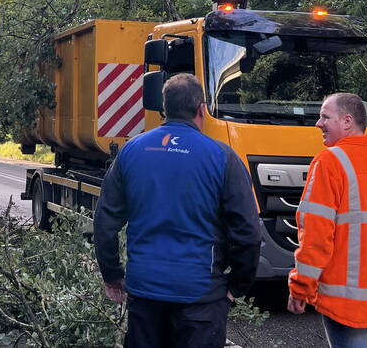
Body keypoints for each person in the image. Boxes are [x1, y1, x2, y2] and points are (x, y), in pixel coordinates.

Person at [94, 73, 262, 348]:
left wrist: (112, 274)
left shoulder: (131, 151)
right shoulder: (222, 157)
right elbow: (248, 232)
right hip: (200, 297)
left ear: (164, 108)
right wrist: (235, 287)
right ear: (201, 108)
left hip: (145, 291)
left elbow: (105, 221)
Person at [287, 92, 367, 348]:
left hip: (341, 299)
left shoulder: (329, 162)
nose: (318, 124)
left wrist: (301, 286)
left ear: (346, 122)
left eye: (324, 117)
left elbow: (315, 234)